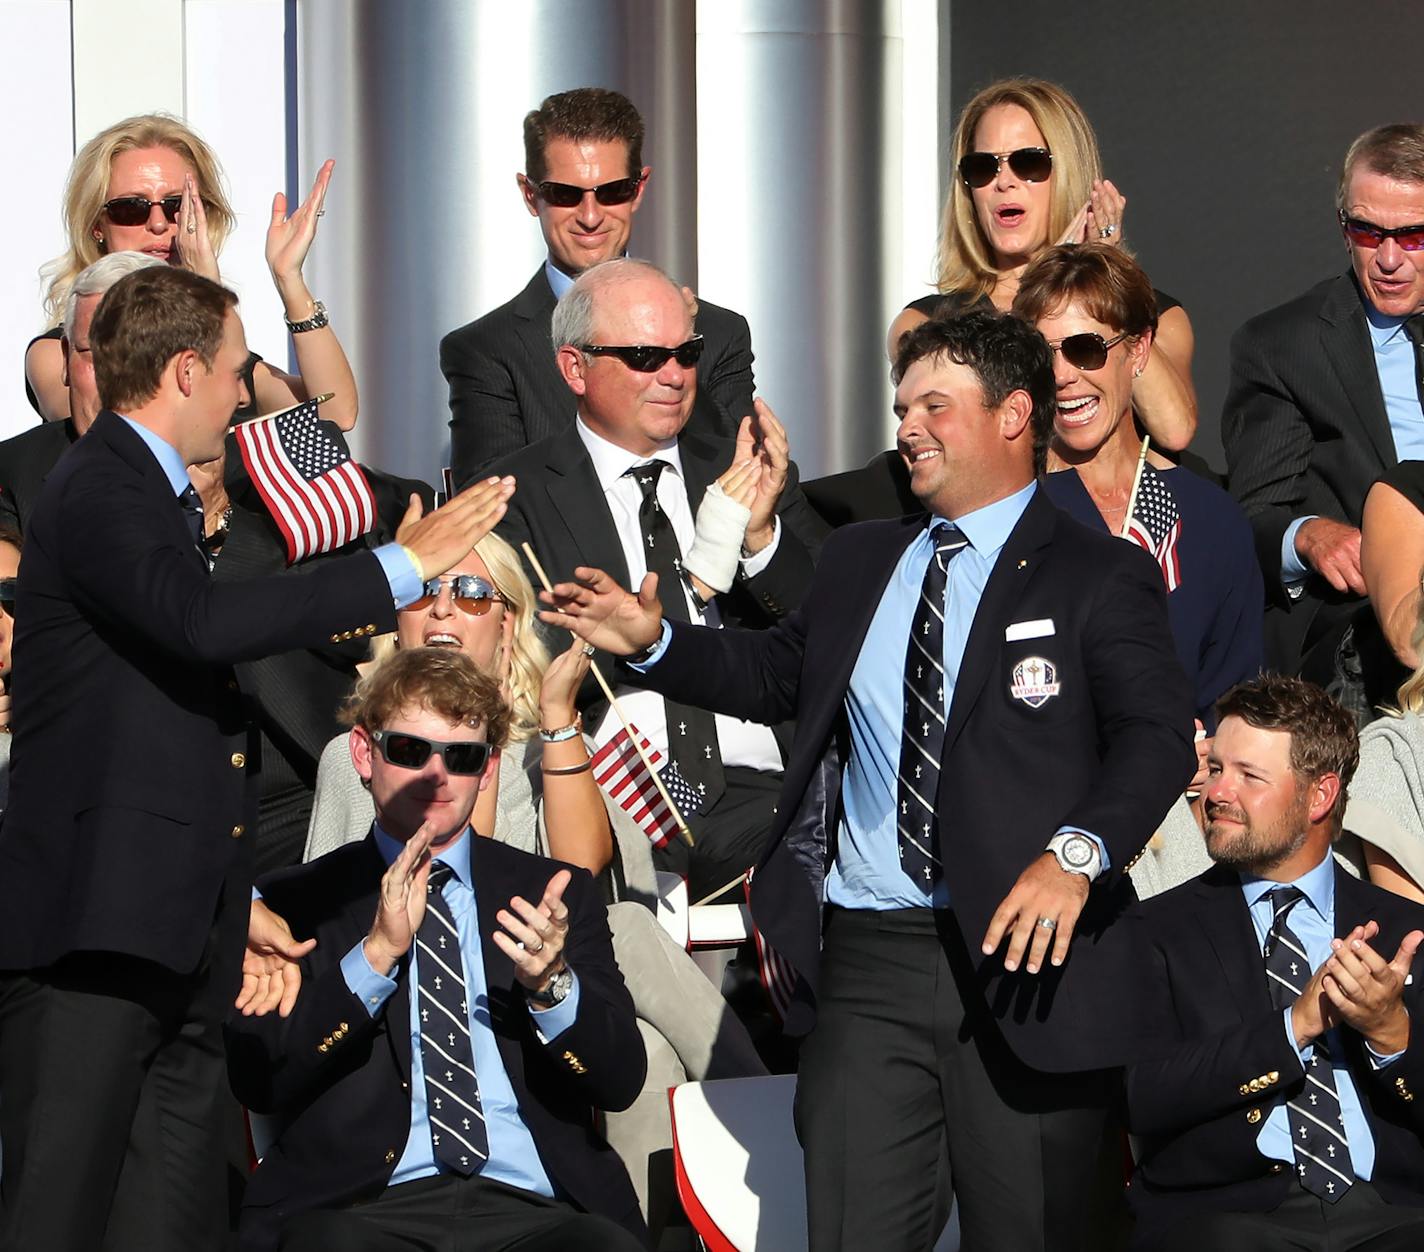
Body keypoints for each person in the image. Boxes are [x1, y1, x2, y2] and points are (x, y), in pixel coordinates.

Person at [541, 309, 1197, 1251]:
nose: (906, 427)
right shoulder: (861, 557)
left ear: (1014, 415)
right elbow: (774, 675)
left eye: (935, 403)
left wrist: (1076, 855)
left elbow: (1157, 739)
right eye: (900, 406)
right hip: (869, 960)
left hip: (1030, 958)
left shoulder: (1098, 573)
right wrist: (655, 643)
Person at [0, 264, 516, 1252]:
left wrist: (232, 902)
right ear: (185, 370)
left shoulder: (142, 494)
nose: (245, 395)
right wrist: (395, 564)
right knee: (55, 1219)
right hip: (89, 946)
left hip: (178, 938)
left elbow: (164, 727)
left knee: (175, 1225)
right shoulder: (103, 480)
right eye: (237, 373)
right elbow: (200, 625)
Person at [303, 532, 766, 1234]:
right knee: (633, 939)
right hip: (422, 1018)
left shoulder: (545, 746)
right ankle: (768, 1114)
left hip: (552, 1003)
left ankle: (656, 1218)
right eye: (425, 590)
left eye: (471, 595)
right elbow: (334, 916)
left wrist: (556, 722)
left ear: (509, 622)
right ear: (395, 618)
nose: (443, 612)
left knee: (647, 1035)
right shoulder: (360, 757)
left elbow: (579, 879)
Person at [226, 647, 647, 1251]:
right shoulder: (293, 904)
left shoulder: (551, 894)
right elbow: (258, 1078)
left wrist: (553, 986)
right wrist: (373, 958)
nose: (436, 775)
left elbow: (621, 1082)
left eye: (463, 756)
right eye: (409, 750)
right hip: (360, 1205)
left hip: (536, 1204)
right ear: (364, 754)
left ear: (488, 765)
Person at [493, 257, 825, 904]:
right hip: (616, 787)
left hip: (772, 784)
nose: (674, 375)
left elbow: (832, 629)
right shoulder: (515, 494)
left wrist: (758, 539)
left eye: (686, 351)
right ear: (574, 368)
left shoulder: (743, 464)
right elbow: (519, 662)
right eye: (646, 356)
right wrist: (660, 615)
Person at [1126, 675, 1424, 1252]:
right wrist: (1296, 1025)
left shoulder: (1403, 928)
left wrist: (1394, 1035)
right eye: (1216, 768)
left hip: (1395, 1212)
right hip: (1230, 1217)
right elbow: (1142, 1094)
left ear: (1320, 796)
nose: (1217, 792)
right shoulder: (1155, 928)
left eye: (1249, 777)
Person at [441, 87, 756, 483]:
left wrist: (680, 351)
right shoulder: (486, 350)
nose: (590, 216)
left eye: (612, 192)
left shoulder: (719, 333)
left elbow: (745, 472)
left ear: (638, 189)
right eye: (564, 194)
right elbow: (492, 512)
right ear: (530, 194)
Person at [1011, 243, 1263, 726]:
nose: (1063, 376)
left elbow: (1237, 702)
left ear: (1138, 349)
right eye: (1044, 355)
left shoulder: (1210, 519)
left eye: (1086, 350)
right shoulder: (1006, 510)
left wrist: (1211, 757)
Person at [886, 76, 1196, 453]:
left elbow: (1174, 429)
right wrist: (1042, 282)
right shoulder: (925, 325)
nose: (1003, 182)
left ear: (1067, 171)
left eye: (1027, 162)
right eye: (983, 168)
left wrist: (1103, 280)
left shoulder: (1158, 318)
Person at [1223, 123, 1424, 679]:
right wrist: (1308, 535)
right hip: (1365, 629)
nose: (1388, 259)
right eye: (1367, 232)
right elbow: (1253, 517)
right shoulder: (1285, 346)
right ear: (1343, 227)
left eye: (1412, 236)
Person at [26, 112, 359, 430]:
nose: (157, 224)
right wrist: (207, 299)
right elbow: (126, 427)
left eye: (176, 206)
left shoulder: (220, 348)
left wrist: (289, 279)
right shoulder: (59, 352)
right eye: (131, 208)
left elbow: (334, 413)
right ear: (97, 224)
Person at [1, 252, 162, 533]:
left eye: (143, 355)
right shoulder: (11, 473)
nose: (117, 380)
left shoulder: (245, 470)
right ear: (65, 358)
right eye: (96, 355)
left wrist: (211, 516)